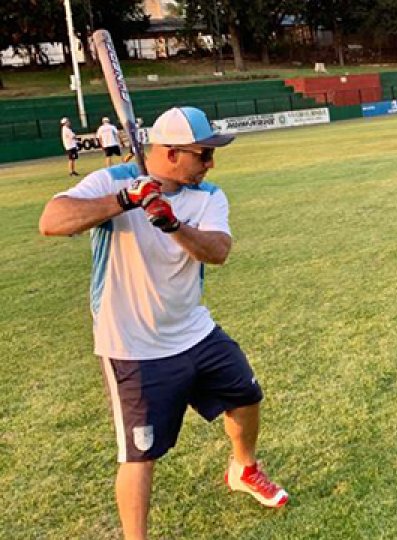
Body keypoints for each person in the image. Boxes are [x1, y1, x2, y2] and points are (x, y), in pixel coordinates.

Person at [39, 106, 289, 540]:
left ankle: (244, 469)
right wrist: (125, 201)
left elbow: (218, 251)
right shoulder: (111, 181)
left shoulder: (209, 195)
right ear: (172, 153)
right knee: (140, 453)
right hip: (132, 344)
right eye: (203, 154)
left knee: (246, 395)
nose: (211, 163)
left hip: (194, 330)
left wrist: (171, 224)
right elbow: (51, 221)